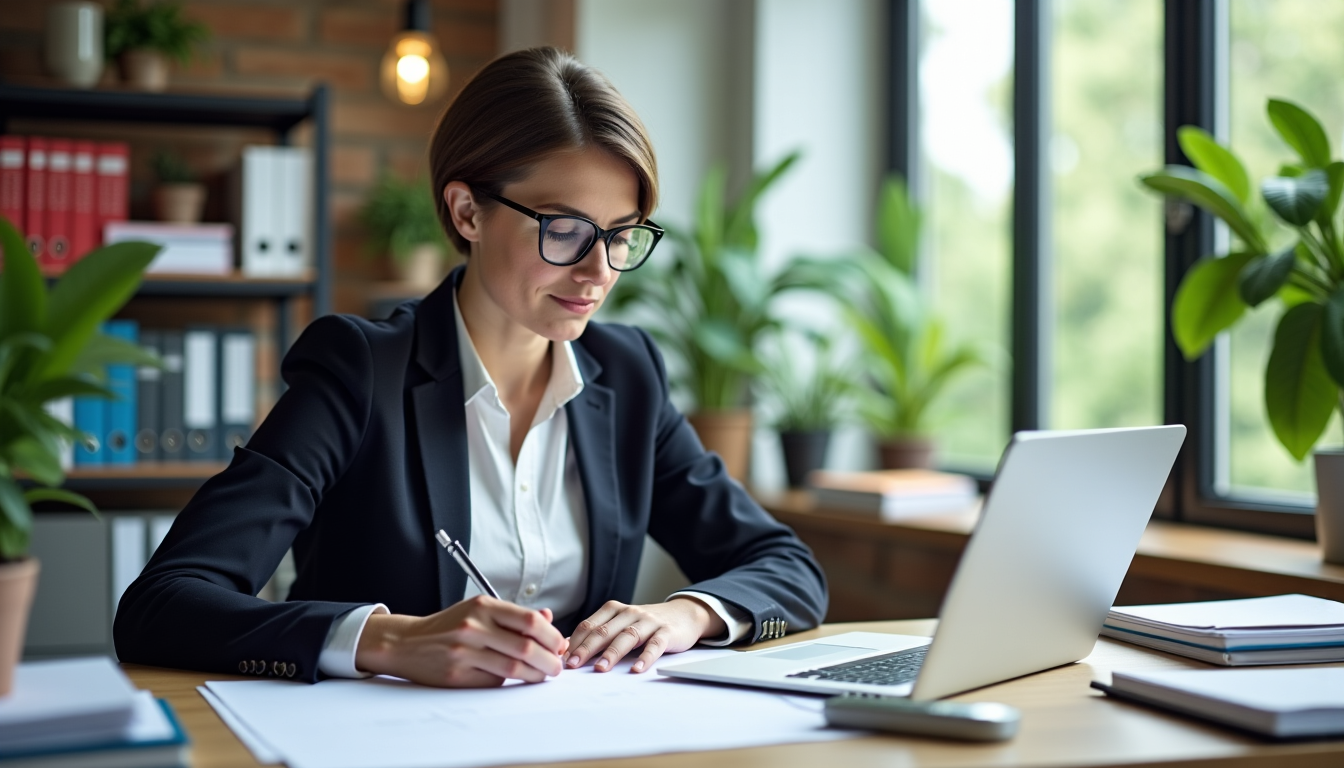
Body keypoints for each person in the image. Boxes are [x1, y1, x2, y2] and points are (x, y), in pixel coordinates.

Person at [114, 46, 827, 689]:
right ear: (467, 212)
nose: (599, 270)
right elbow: (164, 603)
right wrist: (387, 640)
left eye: (620, 235)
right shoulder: (361, 370)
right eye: (566, 230)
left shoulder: (626, 373)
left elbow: (787, 567)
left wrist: (687, 613)